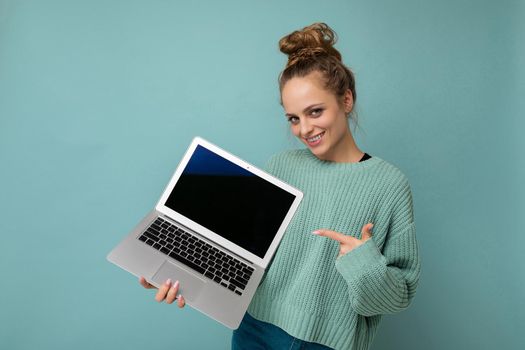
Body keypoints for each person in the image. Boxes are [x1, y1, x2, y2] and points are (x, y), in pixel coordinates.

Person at [140, 23, 421, 350]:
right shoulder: (281, 165)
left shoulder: (389, 185)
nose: (304, 129)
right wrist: (175, 271)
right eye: (293, 118)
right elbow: (244, 253)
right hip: (254, 330)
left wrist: (365, 264)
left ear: (346, 99)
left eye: (315, 111)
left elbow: (400, 297)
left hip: (328, 343)